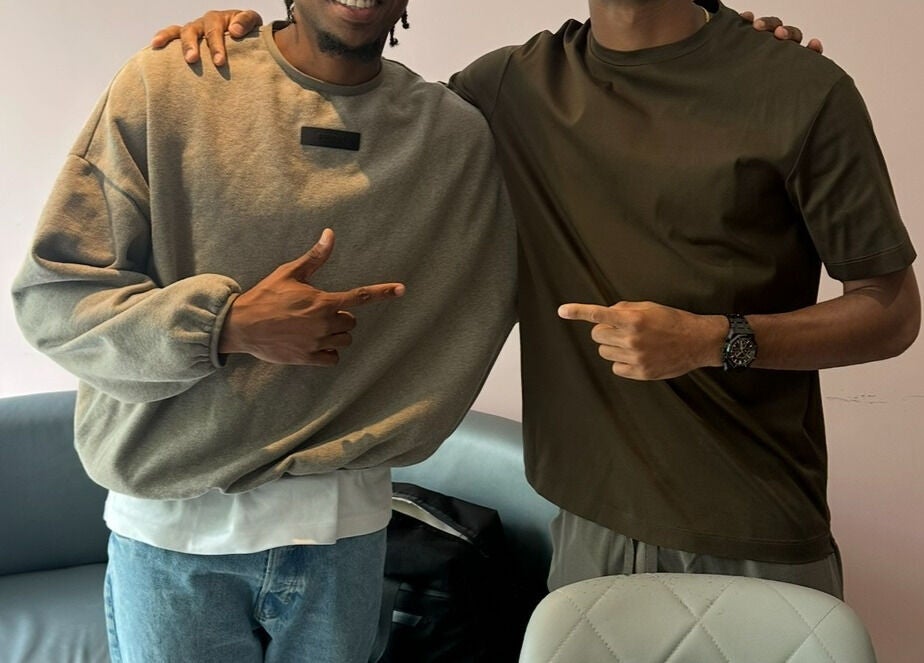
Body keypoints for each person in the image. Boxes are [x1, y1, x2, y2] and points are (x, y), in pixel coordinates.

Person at [161, 0, 920, 603]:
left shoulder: (801, 89)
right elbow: (352, 98)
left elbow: (891, 308)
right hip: (586, 531)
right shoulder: (510, 89)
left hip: (754, 528)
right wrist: (252, 39)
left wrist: (715, 339)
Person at [12, 1, 517, 661]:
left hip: (346, 534)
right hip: (172, 533)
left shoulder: (453, 136)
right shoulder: (170, 85)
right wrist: (226, 326)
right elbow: (55, 301)